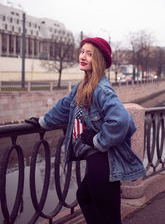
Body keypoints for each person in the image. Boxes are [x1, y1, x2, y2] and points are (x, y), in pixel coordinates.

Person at [26, 37, 145, 224]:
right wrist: (42, 122)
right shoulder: (82, 87)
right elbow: (64, 108)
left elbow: (122, 121)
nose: (83, 56)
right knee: (85, 197)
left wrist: (99, 140)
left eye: (89, 54)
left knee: (109, 214)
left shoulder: (101, 90)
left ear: (98, 60)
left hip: (104, 160)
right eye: (82, 52)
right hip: (96, 160)